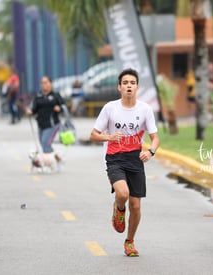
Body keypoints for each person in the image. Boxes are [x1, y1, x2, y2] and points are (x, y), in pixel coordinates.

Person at [89, 68, 159, 256]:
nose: (129, 86)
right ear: (119, 87)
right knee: (123, 193)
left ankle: (129, 241)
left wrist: (150, 151)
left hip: (135, 160)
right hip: (115, 159)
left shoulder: (145, 109)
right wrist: (109, 138)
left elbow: (155, 138)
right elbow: (93, 135)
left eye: (132, 83)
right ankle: (118, 209)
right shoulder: (110, 108)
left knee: (135, 206)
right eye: (125, 83)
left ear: (137, 87)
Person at [26, 76, 64, 172]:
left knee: (45, 143)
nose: (44, 85)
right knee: (44, 145)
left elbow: (63, 106)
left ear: (50, 83)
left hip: (52, 124)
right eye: (42, 83)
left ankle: (47, 166)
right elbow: (34, 109)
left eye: (46, 82)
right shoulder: (38, 96)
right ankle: (58, 159)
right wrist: (30, 111)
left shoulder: (55, 95)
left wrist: (59, 108)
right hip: (41, 124)